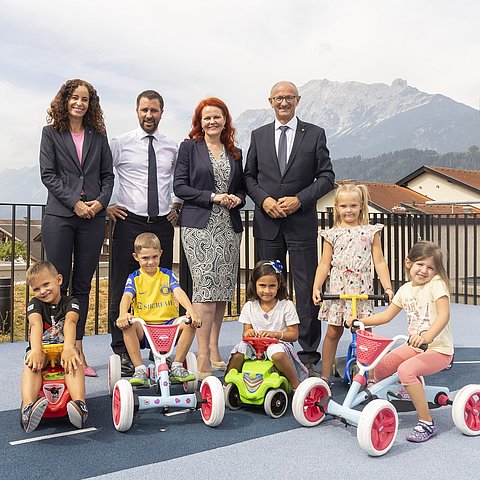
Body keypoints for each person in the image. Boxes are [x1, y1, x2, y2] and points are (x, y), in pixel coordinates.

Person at [243, 81, 335, 377]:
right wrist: (264, 200)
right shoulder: (258, 136)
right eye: (278, 98)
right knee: (266, 287)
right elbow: (248, 178)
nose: (283, 102)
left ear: (298, 100)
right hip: (267, 224)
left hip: (301, 223)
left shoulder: (315, 134)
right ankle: (261, 346)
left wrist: (300, 199)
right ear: (270, 101)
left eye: (289, 98)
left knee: (308, 289)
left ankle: (307, 353)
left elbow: (326, 177)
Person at [40, 79, 114, 377]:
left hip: (93, 219)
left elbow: (108, 176)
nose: (79, 103)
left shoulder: (99, 136)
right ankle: (52, 349)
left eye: (85, 99)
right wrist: (75, 203)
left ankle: (78, 350)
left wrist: (98, 204)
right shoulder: (50, 134)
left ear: (91, 104)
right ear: (64, 101)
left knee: (83, 286)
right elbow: (48, 175)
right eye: (74, 98)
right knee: (56, 285)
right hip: (60, 216)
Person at [346, 241, 453, 443]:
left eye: (431, 267)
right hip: (414, 347)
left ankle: (427, 422)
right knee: (381, 366)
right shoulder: (405, 290)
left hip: (438, 350)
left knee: (405, 370)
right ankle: (404, 391)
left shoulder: (436, 284)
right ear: (408, 263)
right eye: (420, 264)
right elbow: (386, 316)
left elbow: (444, 316)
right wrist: (361, 321)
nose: (424, 271)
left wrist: (427, 337)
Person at [108, 90, 182, 376]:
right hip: (129, 222)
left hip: (162, 223)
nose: (149, 115)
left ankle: (158, 349)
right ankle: (122, 350)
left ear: (161, 112)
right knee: (121, 287)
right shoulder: (120, 144)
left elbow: (180, 179)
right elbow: (101, 174)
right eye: (144, 110)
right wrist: (105, 207)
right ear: (136, 111)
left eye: (154, 110)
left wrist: (177, 204)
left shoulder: (171, 147)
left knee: (161, 287)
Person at [173, 97, 245, 380]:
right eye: (206, 118)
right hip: (198, 225)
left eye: (217, 117)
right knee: (204, 288)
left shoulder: (235, 152)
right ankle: (201, 355)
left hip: (228, 225)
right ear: (199, 123)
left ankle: (215, 347)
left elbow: (242, 190)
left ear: (225, 120)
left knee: (222, 288)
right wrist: (213, 197)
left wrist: (235, 199)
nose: (212, 121)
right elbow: (180, 187)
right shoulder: (189, 148)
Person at [312, 183, 393, 385]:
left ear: (361, 206)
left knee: (365, 332)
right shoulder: (331, 234)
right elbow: (324, 263)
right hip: (338, 289)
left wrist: (388, 287)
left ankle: (372, 376)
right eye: (344, 206)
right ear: (337, 208)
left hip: (362, 289)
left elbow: (379, 261)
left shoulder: (370, 232)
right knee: (333, 331)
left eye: (353, 206)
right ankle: (325, 375)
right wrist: (316, 287)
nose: (349, 210)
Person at [115, 233, 201, 385]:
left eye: (155, 257)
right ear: (136, 257)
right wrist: (123, 314)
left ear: (161, 253)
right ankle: (139, 369)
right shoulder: (134, 277)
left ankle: (177, 365)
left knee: (189, 323)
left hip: (169, 326)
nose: (150, 262)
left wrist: (191, 311)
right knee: (128, 325)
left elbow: (178, 292)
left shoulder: (167, 275)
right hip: (145, 327)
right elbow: (126, 297)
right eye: (145, 258)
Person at [21, 261, 88, 433]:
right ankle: (28, 408)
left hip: (63, 351)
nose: (42, 291)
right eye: (36, 289)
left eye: (46, 284)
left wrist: (68, 347)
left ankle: (80, 404)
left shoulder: (70, 301)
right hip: (41, 351)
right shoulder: (34, 304)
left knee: (75, 361)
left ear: (58, 280)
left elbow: (71, 322)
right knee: (31, 365)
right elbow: (35, 324)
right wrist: (36, 350)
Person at [225, 260, 308, 389]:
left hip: (278, 344)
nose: (267, 290)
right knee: (239, 350)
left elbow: (294, 335)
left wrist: (274, 334)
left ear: (279, 285)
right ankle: (228, 384)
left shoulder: (286, 305)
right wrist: (249, 333)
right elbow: (245, 333)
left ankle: (296, 385)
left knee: (276, 353)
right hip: (255, 345)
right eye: (262, 285)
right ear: (255, 285)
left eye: (272, 286)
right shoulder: (250, 306)